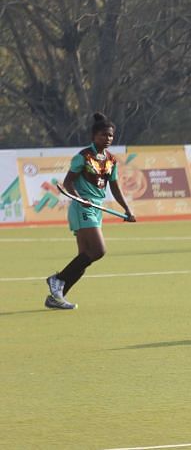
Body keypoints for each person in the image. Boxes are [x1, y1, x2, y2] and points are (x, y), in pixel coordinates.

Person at [45, 112, 136, 310]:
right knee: (98, 251)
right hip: (82, 207)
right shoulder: (83, 157)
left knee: (85, 256)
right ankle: (57, 279)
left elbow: (114, 186)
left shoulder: (111, 160)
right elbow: (68, 182)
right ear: (94, 136)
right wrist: (80, 197)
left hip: (97, 208)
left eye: (110, 135)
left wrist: (127, 209)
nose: (108, 138)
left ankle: (56, 297)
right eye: (103, 135)